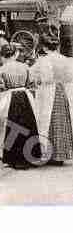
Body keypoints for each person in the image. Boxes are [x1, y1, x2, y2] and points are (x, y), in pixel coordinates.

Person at [0, 44, 41, 170]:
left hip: (9, 96)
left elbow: (0, 86)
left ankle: (13, 158)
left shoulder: (1, 69)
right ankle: (30, 156)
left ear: (2, 55)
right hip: (24, 96)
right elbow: (31, 83)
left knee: (10, 125)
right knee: (28, 123)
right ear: (15, 54)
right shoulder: (25, 66)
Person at [31, 34, 73, 166]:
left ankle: (48, 153)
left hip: (48, 91)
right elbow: (69, 77)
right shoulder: (65, 60)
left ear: (44, 47)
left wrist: (37, 80)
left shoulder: (44, 60)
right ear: (57, 46)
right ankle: (61, 153)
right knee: (61, 120)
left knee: (46, 120)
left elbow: (41, 77)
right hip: (61, 90)